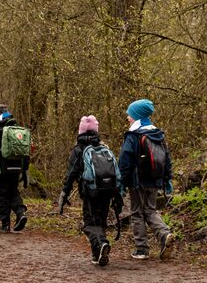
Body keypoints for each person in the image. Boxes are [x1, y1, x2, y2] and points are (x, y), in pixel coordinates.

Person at [58, 115, 122, 267]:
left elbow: (71, 173)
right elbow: (114, 172)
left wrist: (64, 193)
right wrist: (118, 195)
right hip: (107, 191)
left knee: (90, 224)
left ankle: (101, 244)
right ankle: (97, 255)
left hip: (90, 193)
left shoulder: (78, 149)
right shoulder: (104, 148)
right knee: (101, 221)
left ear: (80, 131)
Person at [119, 99, 174, 260]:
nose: (128, 117)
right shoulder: (157, 134)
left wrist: (121, 182)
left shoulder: (133, 135)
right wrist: (167, 180)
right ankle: (165, 234)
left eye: (130, 114)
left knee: (137, 213)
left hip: (138, 182)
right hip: (155, 181)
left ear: (137, 115)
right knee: (150, 210)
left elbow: (125, 161)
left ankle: (142, 249)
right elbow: (167, 158)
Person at [0, 104, 28, 233]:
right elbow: (25, 151)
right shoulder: (18, 130)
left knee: (2, 194)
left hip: (2, 169)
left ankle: (5, 224)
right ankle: (20, 212)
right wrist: (25, 170)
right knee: (13, 191)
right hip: (17, 167)